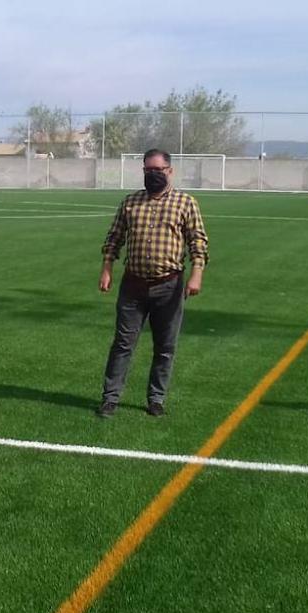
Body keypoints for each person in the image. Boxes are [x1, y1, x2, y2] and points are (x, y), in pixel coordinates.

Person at [97, 148, 208, 418]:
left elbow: (198, 241)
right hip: (133, 285)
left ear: (170, 171)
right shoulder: (130, 202)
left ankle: (156, 398)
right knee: (123, 344)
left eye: (158, 170)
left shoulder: (185, 203)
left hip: (168, 286)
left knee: (165, 347)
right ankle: (110, 398)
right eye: (148, 170)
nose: (152, 175)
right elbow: (114, 238)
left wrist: (197, 274)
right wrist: (107, 269)